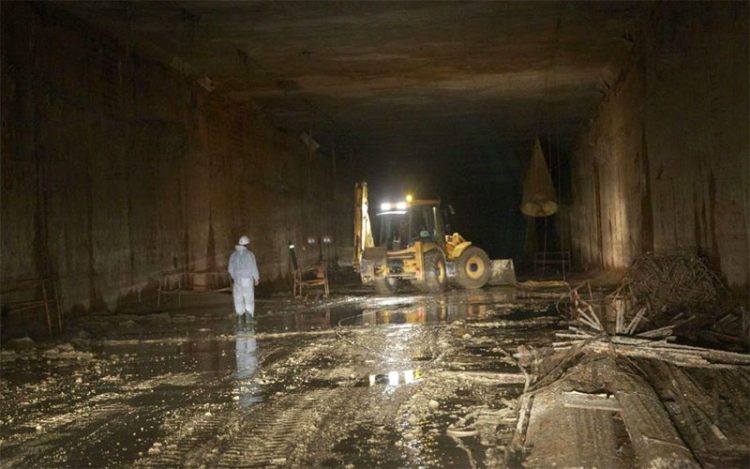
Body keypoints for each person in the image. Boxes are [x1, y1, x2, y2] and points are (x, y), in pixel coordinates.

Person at [228, 235, 260, 322]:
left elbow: (230, 269)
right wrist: (256, 278)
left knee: (238, 299)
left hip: (237, 281)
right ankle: (249, 319)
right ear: (247, 245)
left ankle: (239, 320)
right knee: (248, 299)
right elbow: (253, 267)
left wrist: (235, 277)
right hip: (247, 280)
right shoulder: (250, 254)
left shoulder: (233, 255)